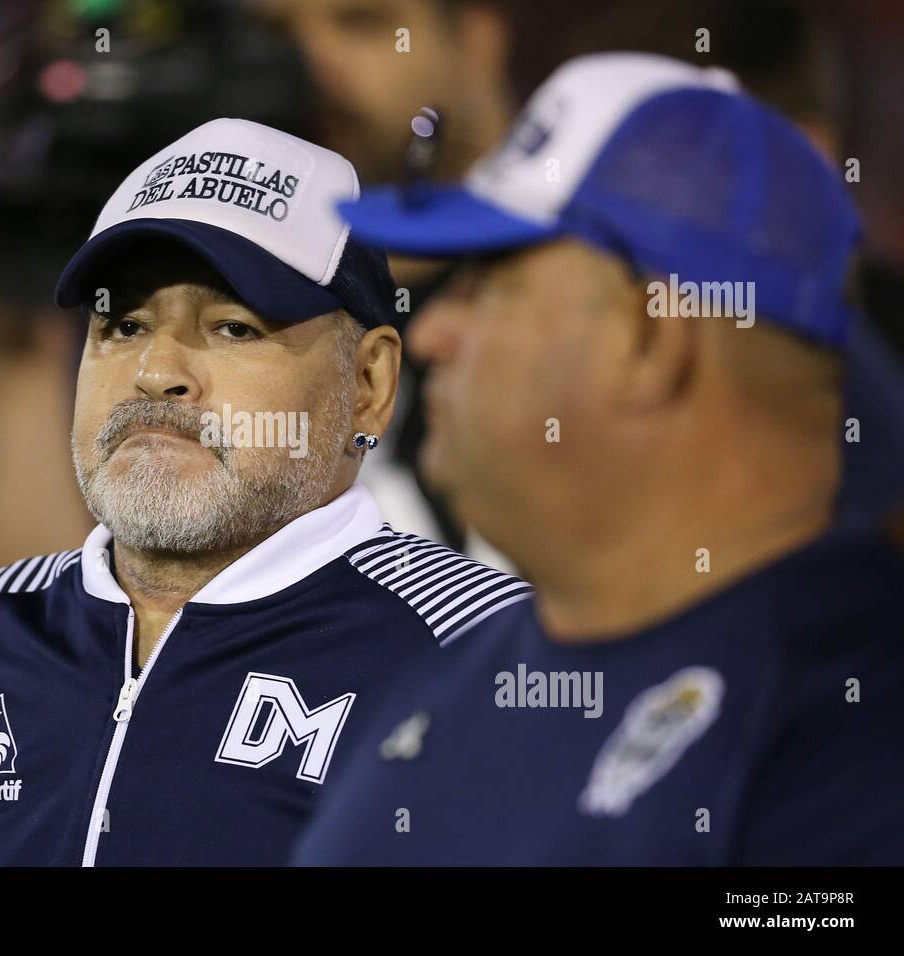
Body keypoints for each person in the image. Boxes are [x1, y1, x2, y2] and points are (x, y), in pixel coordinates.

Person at [0, 118, 529, 867]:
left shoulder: (479, 655)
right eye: (123, 324)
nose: (156, 371)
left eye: (235, 328)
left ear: (369, 385)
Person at [292, 53, 904, 865]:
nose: (433, 332)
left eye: (490, 282)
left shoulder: (855, 726)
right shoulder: (451, 671)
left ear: (649, 339)